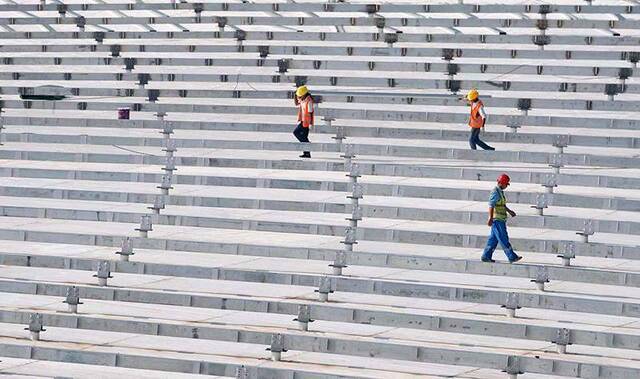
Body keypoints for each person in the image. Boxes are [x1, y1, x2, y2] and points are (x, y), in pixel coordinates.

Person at [481, 173, 522, 263]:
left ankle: (486, 256)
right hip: (497, 220)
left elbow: (502, 205)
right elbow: (491, 205)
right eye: (506, 184)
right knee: (503, 238)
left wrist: (509, 211)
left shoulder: (500, 192)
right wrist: (490, 218)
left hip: (500, 219)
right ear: (502, 183)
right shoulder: (495, 192)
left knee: (493, 240)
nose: (506, 186)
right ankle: (511, 256)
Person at [293, 85, 314, 158]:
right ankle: (306, 153)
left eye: (300, 95)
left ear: (304, 94)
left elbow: (311, 113)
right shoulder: (303, 100)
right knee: (304, 137)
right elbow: (296, 103)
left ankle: (307, 145)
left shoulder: (309, 101)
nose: (299, 97)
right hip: (302, 120)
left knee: (296, 133)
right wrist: (295, 94)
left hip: (306, 122)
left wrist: (311, 123)